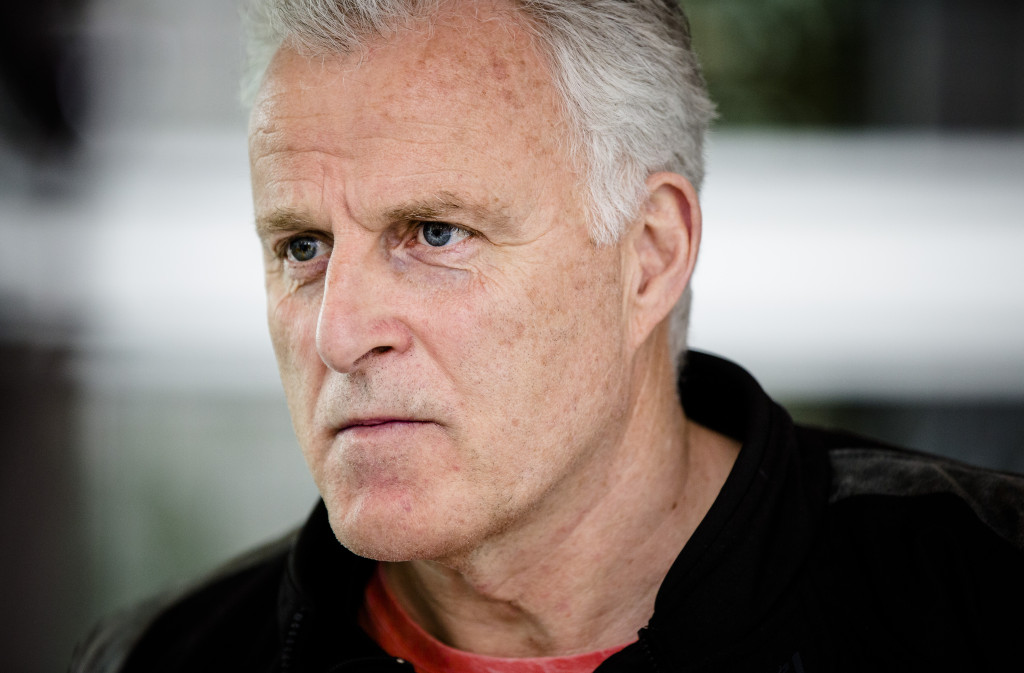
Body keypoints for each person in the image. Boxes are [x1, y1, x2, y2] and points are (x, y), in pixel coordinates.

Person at [72, 1, 1024, 671]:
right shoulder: (154, 658)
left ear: (648, 255)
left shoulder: (981, 598)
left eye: (434, 233)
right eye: (302, 246)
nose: (341, 332)